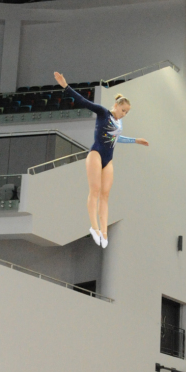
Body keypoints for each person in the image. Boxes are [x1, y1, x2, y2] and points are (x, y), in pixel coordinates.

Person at [54, 72, 149, 248]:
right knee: (95, 191)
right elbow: (83, 101)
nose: (124, 114)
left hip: (108, 159)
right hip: (96, 154)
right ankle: (95, 228)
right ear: (116, 105)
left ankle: (104, 232)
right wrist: (65, 86)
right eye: (123, 110)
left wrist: (136, 140)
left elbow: (116, 138)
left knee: (105, 195)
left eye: (127, 113)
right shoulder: (103, 112)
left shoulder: (119, 124)